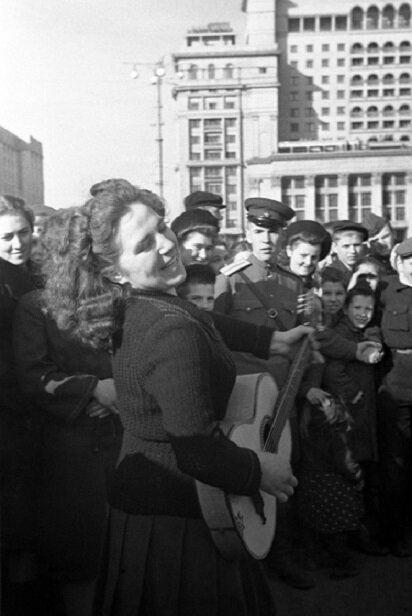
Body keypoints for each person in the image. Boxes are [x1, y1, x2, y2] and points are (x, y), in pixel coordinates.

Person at [38, 182, 299, 616]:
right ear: (116, 272)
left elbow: (205, 318)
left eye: (161, 228)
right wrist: (259, 471)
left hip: (143, 514)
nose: (165, 245)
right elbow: (197, 451)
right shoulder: (169, 328)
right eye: (144, 244)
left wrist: (272, 340)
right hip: (179, 521)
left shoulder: (140, 304)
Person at [13, 208, 123, 616]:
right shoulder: (35, 306)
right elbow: (33, 374)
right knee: (80, 558)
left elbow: (138, 355)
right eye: (82, 252)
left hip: (122, 436)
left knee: (124, 550)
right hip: (68, 453)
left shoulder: (117, 299)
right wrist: (94, 389)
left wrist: (119, 391)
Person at [0, 195, 39, 614]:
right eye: (7, 237)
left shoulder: (35, 275)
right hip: (9, 415)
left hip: (34, 411)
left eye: (23, 233)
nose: (17, 243)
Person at [297, 395, 364, 579]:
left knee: (314, 528)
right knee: (337, 533)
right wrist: (357, 477)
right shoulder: (336, 435)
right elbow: (346, 463)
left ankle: (313, 558)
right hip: (334, 490)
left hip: (310, 486)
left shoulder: (305, 433)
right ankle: (342, 564)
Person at [376, 237, 412, 557]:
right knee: (395, 467)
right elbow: (369, 324)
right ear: (398, 262)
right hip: (396, 388)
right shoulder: (384, 290)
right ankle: (393, 534)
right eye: (409, 259)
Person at [283, 220, 332, 291]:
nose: (308, 262)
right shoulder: (275, 282)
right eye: (303, 255)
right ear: (289, 251)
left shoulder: (324, 284)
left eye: (314, 257)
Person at [329, 221, 369, 286]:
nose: (352, 251)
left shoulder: (368, 269)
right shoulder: (330, 275)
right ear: (335, 247)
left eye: (357, 245)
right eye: (346, 246)